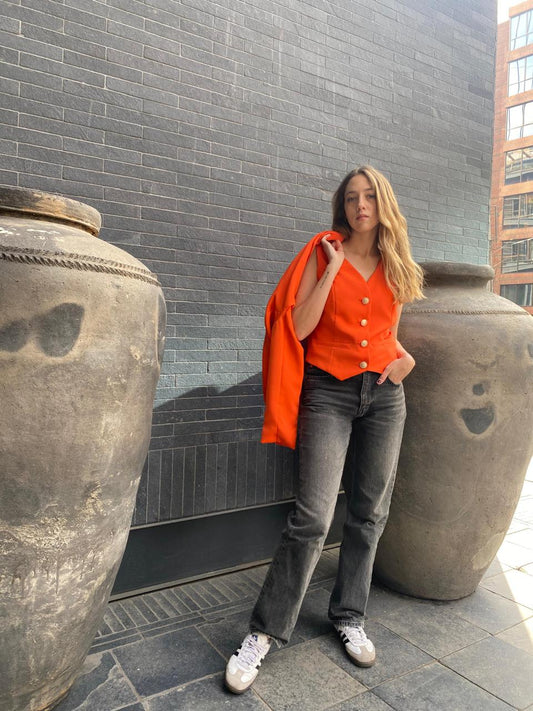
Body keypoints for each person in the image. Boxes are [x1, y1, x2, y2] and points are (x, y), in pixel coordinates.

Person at [225, 165, 424, 694]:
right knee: (312, 517)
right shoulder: (323, 251)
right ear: (343, 205)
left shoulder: (396, 261)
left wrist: (404, 361)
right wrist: (333, 271)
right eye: (352, 197)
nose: (361, 205)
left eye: (370, 196)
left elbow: (387, 330)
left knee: (370, 511)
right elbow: (298, 327)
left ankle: (349, 615)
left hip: (384, 396)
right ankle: (263, 633)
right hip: (327, 392)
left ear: (383, 202)